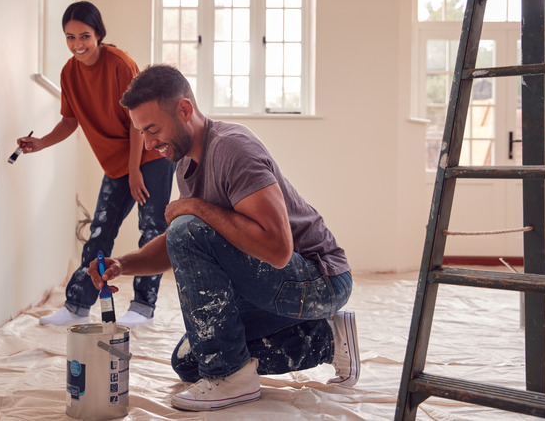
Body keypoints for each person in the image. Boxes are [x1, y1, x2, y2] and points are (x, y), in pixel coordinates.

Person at [88, 64, 359, 411]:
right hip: (278, 285)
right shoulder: (185, 164)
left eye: (152, 129)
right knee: (189, 362)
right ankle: (329, 339)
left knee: (190, 233)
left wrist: (195, 208)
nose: (148, 143)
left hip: (320, 280)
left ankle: (231, 377)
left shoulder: (234, 148)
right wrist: (122, 265)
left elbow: (277, 250)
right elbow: (178, 244)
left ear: (185, 110)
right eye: (141, 132)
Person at [18, 2, 175, 328]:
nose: (78, 44)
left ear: (98, 34)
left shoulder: (120, 64)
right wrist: (41, 143)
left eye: (85, 36)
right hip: (118, 162)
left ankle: (143, 308)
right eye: (70, 37)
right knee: (99, 233)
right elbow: (70, 120)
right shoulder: (68, 73)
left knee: (151, 231)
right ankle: (76, 305)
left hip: (152, 154)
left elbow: (138, 122)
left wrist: (135, 170)